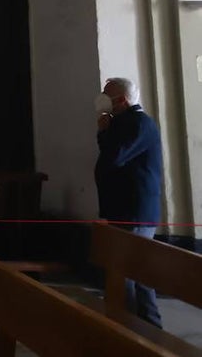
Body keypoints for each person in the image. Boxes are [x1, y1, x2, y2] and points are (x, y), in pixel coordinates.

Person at [94, 76, 164, 328]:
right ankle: (145, 331)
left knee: (128, 274)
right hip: (123, 209)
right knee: (136, 272)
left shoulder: (138, 124)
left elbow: (114, 157)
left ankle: (134, 332)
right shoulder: (124, 122)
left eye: (106, 94)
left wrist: (103, 132)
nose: (101, 98)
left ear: (121, 100)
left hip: (135, 211)